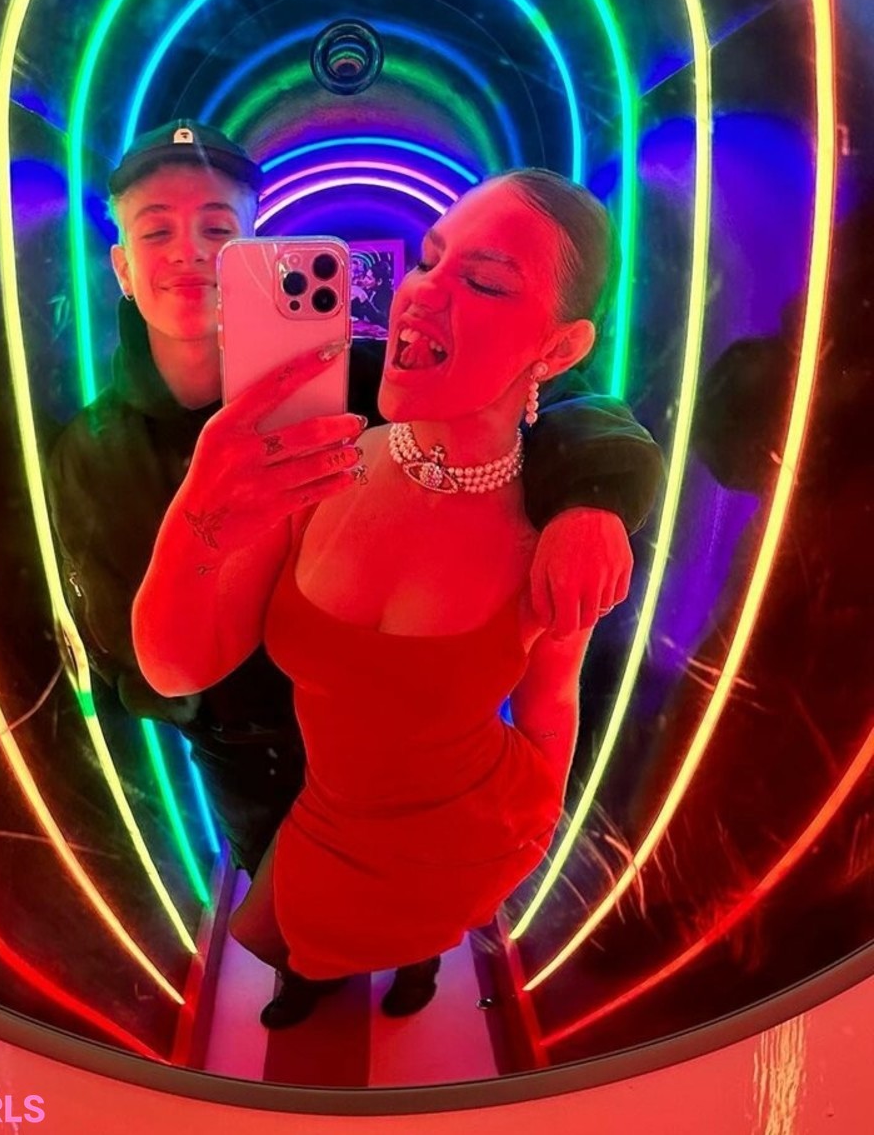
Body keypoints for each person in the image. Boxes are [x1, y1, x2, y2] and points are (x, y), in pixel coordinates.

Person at [47, 120, 662, 887]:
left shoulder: (362, 381)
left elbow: (542, 392)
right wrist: (215, 559)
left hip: (399, 763)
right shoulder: (91, 453)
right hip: (250, 765)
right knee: (289, 912)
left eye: (218, 228)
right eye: (156, 229)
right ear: (122, 267)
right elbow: (137, 666)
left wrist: (593, 498)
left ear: (253, 250)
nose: (190, 251)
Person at [133, 168, 626, 1026]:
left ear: (558, 349)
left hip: (469, 836)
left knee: (418, 944)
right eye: (429, 260)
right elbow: (177, 669)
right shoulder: (327, 468)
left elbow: (551, 703)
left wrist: (534, 830)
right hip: (327, 822)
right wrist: (196, 518)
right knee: (307, 942)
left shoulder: (553, 529)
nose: (423, 291)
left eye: (482, 282)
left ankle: (419, 975)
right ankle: (319, 982)